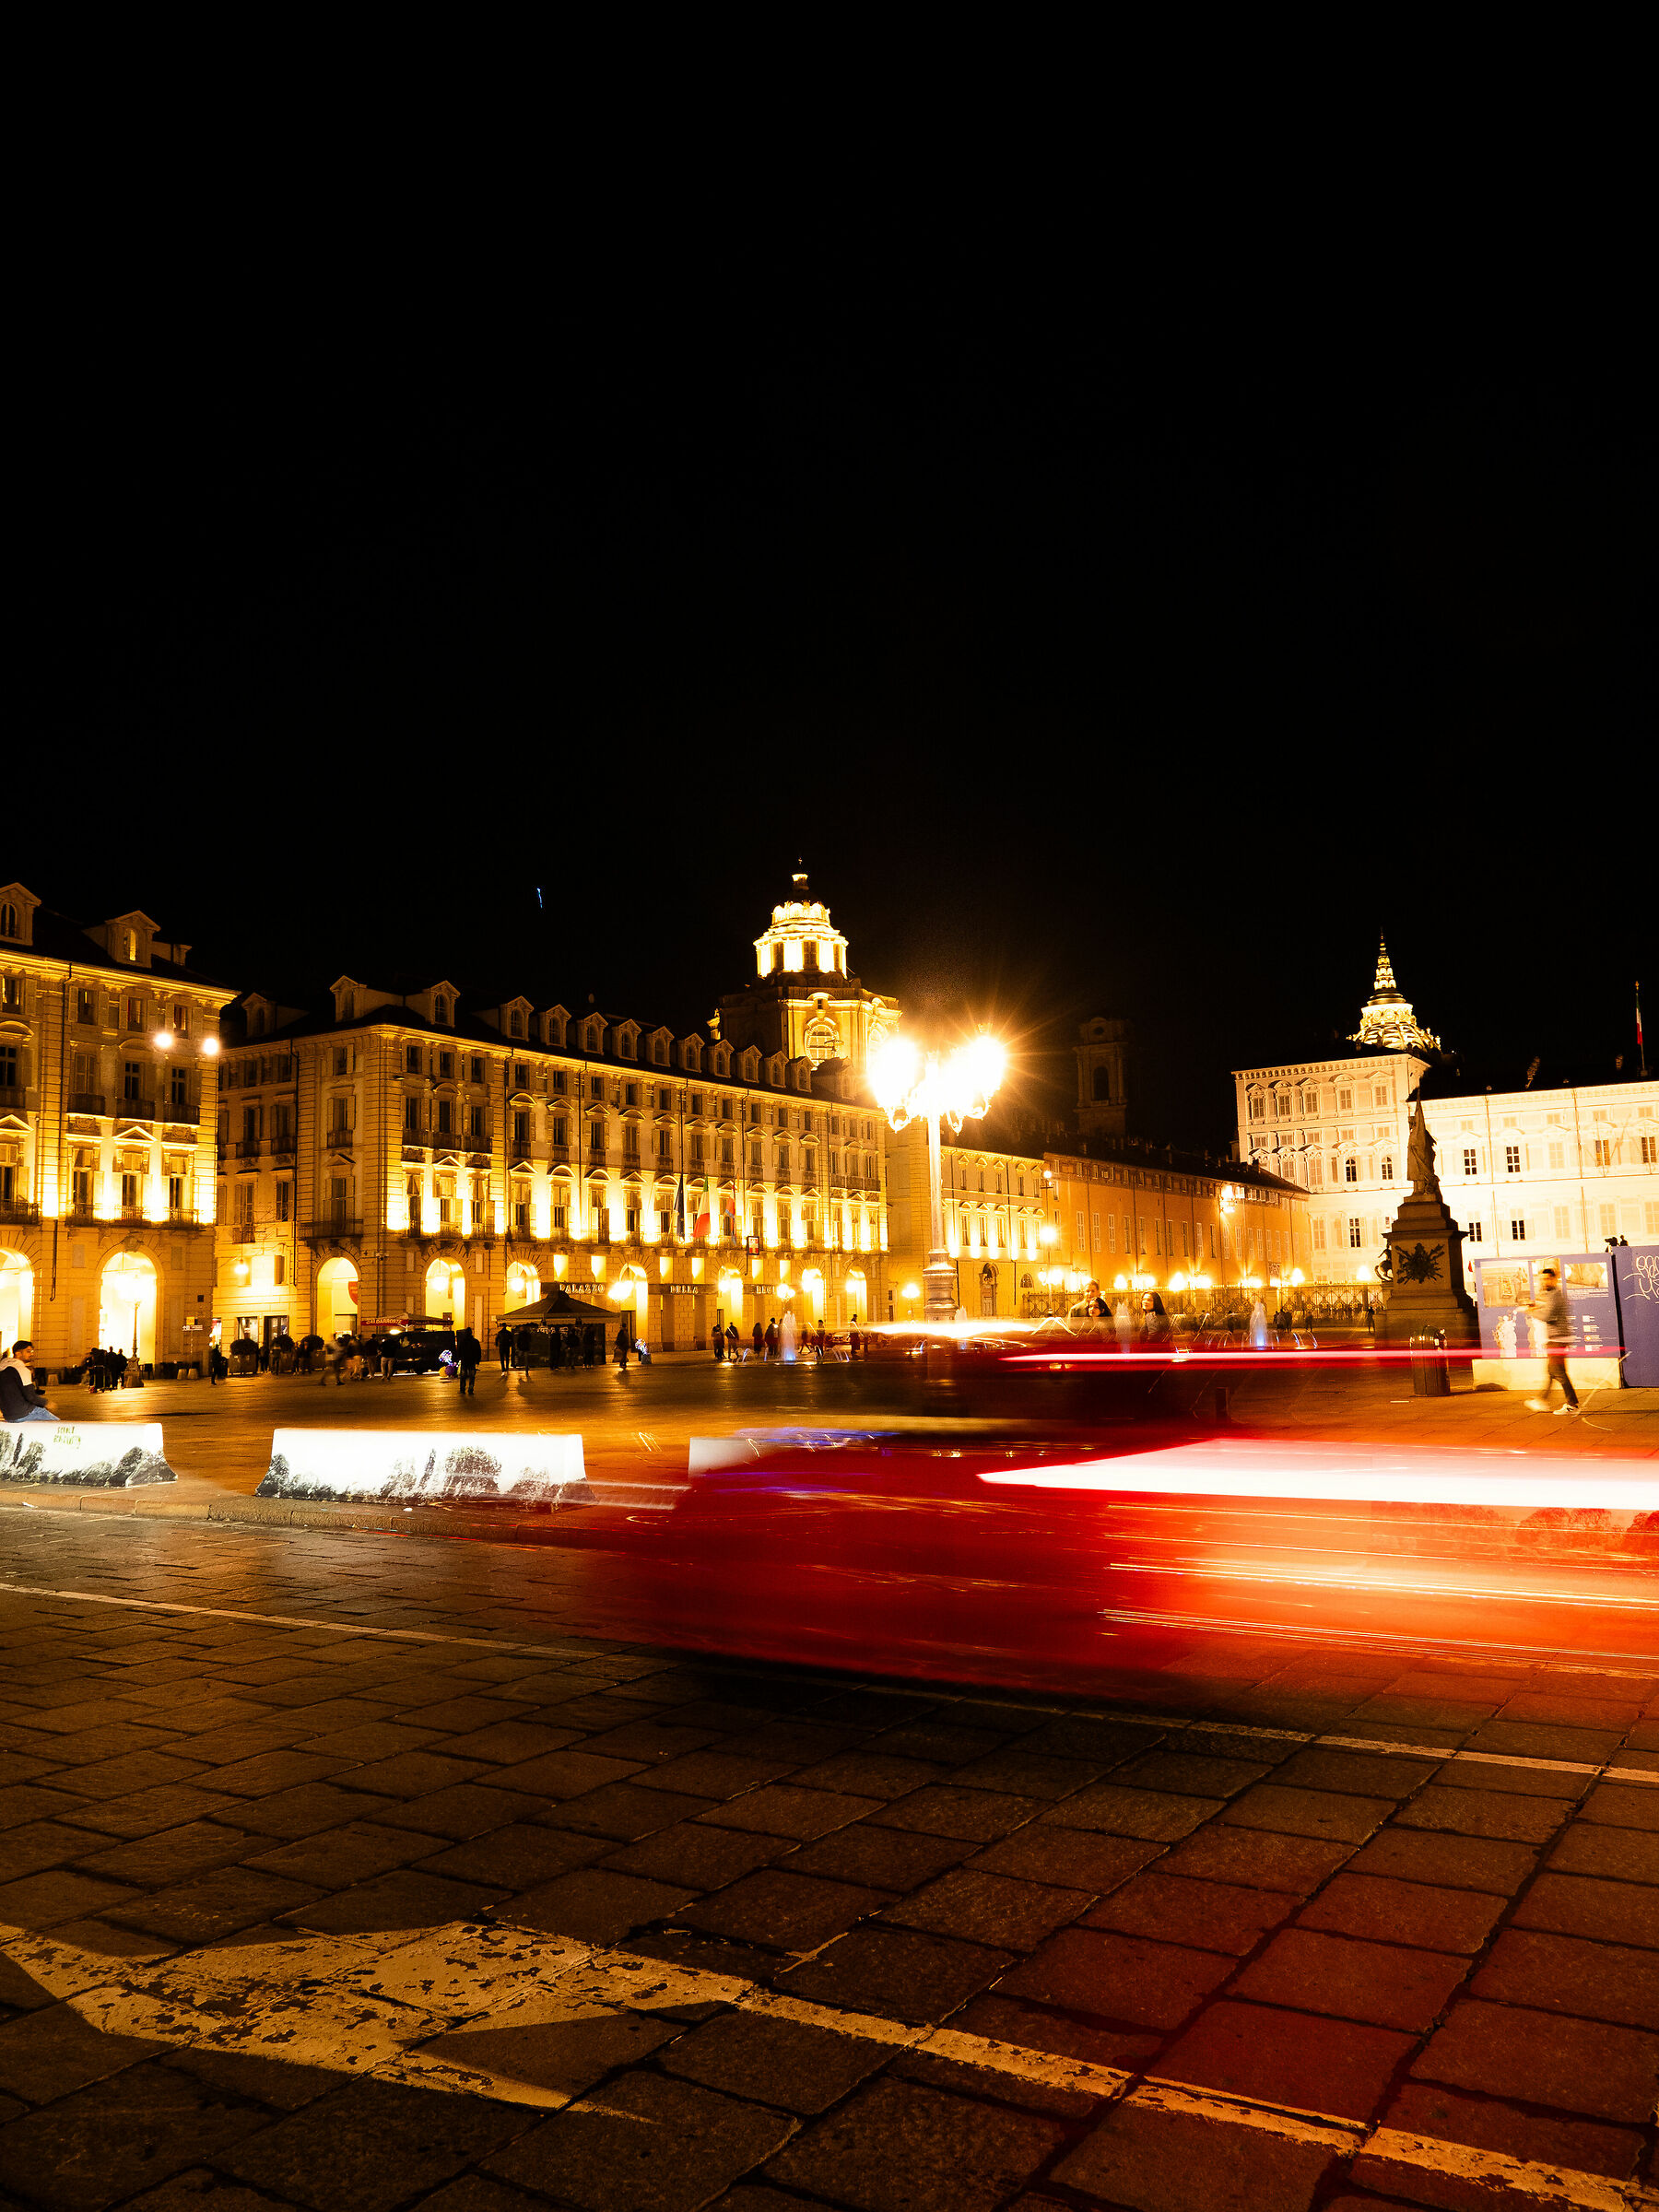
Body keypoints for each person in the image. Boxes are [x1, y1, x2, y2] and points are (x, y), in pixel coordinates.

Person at [1524, 1266, 1579, 1415]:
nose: (1545, 1282)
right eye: (1542, 1279)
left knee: (1558, 1372)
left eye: (1548, 1279)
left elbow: (1548, 1316)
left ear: (1554, 1279)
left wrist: (1531, 1311)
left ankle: (1572, 1405)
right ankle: (1542, 1400)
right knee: (1552, 1371)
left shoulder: (1555, 1295)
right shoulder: (1550, 1294)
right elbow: (1546, 1310)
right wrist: (1536, 1306)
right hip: (1556, 1338)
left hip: (1558, 1338)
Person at [0, 1342, 55, 1421]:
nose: (31, 1354)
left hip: (8, 1415)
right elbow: (31, 1396)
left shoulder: (2, 1368)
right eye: (28, 1351)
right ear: (18, 1353)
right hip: (25, 1413)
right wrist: (46, 1403)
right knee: (60, 1426)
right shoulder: (21, 1370)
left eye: (32, 1351)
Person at [455, 1325, 481, 1396]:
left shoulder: (462, 1342)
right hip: (472, 1361)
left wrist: (459, 1358)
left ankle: (462, 1389)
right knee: (472, 1376)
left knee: (463, 1376)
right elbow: (478, 1352)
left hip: (464, 1361)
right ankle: (471, 1389)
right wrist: (478, 1361)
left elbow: (459, 1351)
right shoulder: (475, 1341)